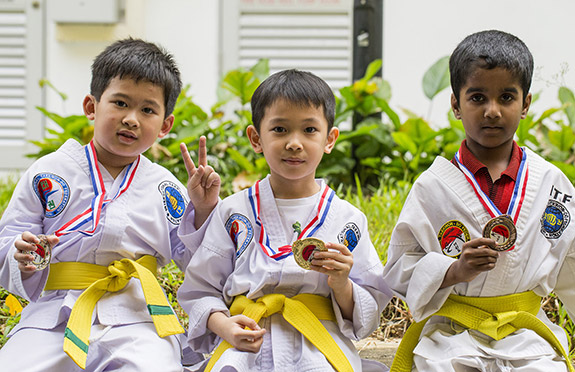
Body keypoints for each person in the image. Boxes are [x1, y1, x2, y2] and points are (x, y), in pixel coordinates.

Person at [0, 38, 220, 372]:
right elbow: (10, 237)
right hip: (53, 314)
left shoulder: (168, 189)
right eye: (120, 103)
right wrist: (23, 253)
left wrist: (203, 211)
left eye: (147, 110)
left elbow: (199, 262)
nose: (131, 119)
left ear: (165, 126)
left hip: (136, 317)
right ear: (92, 106)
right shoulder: (48, 173)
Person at [382, 29, 575, 371]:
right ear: (456, 105)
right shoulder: (432, 188)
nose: (492, 111)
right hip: (451, 337)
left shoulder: (550, 183)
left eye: (506, 97)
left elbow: (571, 264)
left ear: (525, 104)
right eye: (477, 98)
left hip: (527, 338)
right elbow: (399, 266)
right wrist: (453, 269)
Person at [178, 69, 392, 372]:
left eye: (309, 130)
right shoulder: (233, 212)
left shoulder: (348, 220)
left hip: (318, 346)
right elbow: (201, 289)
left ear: (330, 139)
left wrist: (342, 283)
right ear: (256, 138)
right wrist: (225, 326)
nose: (294, 143)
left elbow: (369, 305)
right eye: (279, 129)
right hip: (244, 346)